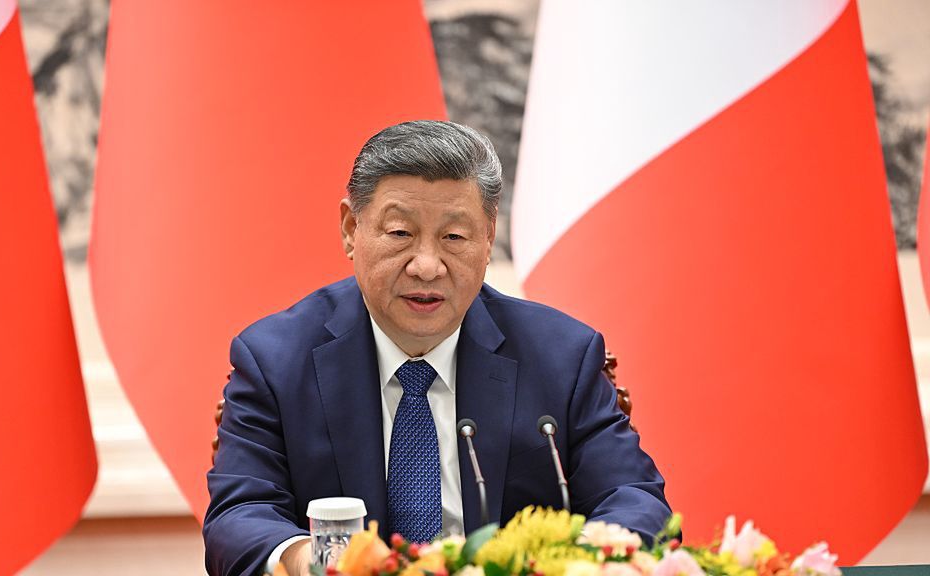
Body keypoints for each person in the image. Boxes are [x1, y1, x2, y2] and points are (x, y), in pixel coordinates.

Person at [204, 121, 671, 576]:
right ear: (351, 228)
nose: (427, 267)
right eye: (400, 233)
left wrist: (578, 562)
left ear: (488, 238)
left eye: (454, 237)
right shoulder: (275, 359)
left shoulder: (562, 357)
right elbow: (240, 514)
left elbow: (635, 498)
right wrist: (302, 559)